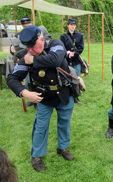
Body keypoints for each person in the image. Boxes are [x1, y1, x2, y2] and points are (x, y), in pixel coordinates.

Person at [6, 25, 75, 172]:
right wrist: (25, 93)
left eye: (33, 46)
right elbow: (11, 79)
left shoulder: (55, 44)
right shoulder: (27, 56)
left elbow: (56, 60)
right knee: (40, 128)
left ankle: (63, 148)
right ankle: (36, 156)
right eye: (27, 47)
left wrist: (33, 61)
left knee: (64, 123)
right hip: (43, 98)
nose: (30, 50)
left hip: (64, 94)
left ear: (42, 39)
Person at [10, 16, 33, 107]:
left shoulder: (36, 33)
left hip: (35, 62)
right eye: (24, 26)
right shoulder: (19, 35)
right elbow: (14, 48)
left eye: (28, 26)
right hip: (24, 63)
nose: (26, 28)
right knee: (27, 82)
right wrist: (11, 50)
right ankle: (31, 99)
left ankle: (39, 99)